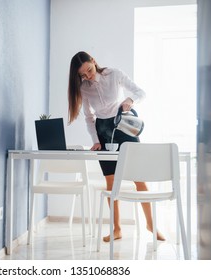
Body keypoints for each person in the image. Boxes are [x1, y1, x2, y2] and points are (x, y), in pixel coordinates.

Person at [67, 51, 165, 242]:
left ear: (94, 61)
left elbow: (140, 92)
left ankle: (151, 225)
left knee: (139, 179)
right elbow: (89, 118)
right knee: (111, 183)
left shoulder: (114, 74)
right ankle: (117, 229)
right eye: (83, 75)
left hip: (123, 126)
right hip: (102, 131)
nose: (88, 76)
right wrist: (96, 140)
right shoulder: (84, 88)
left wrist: (130, 100)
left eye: (89, 70)